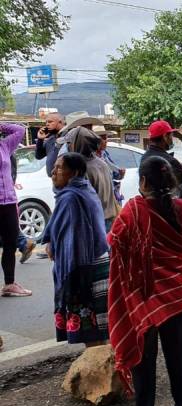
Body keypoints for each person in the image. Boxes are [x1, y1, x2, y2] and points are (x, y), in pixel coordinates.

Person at [108, 156, 182, 406]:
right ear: (170, 181)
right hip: (176, 295)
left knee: (143, 364)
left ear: (143, 181)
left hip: (142, 300)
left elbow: (114, 245)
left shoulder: (131, 213)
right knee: (179, 358)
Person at [43, 153, 109, 345]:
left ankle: (99, 373)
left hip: (83, 272)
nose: (54, 173)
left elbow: (72, 242)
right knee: (100, 334)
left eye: (60, 168)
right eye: (54, 167)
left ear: (75, 173)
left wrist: (54, 248)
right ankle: (107, 371)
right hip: (97, 264)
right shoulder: (83, 189)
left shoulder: (70, 198)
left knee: (93, 336)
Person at [58, 127, 120, 232]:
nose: (67, 147)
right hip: (107, 218)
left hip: (93, 222)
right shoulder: (101, 163)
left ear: (76, 144)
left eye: (69, 143)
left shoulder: (82, 169)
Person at [0, 122, 32, 297]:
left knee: (10, 244)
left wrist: (1, 125)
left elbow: (20, 129)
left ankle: (9, 284)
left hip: (9, 202)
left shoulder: (4, 145)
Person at [140, 120, 182, 198]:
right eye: (171, 136)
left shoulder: (144, 158)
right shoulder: (169, 161)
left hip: (150, 206)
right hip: (171, 206)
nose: (172, 139)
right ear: (165, 136)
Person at [93, 125, 125, 205]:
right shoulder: (90, 157)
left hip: (110, 198)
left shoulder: (105, 154)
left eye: (106, 138)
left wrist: (120, 174)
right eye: (103, 138)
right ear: (96, 140)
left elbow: (115, 174)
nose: (106, 141)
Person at [35, 112, 65, 177]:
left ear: (60, 122)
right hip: (55, 179)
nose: (47, 124)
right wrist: (40, 139)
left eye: (50, 122)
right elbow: (38, 156)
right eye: (46, 122)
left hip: (67, 179)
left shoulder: (67, 136)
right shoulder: (51, 138)